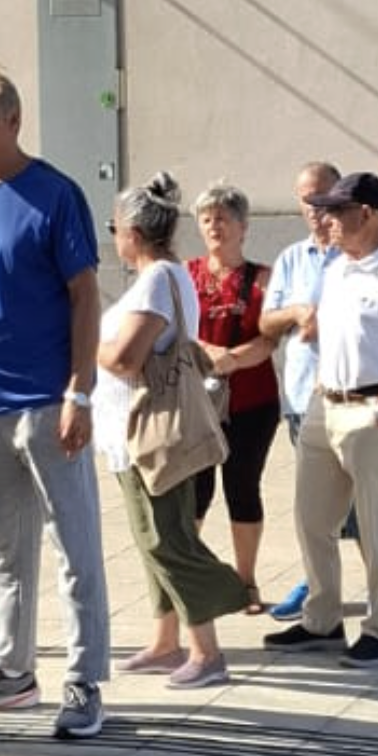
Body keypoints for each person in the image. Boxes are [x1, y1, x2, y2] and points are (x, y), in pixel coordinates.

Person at [0, 64, 110, 741]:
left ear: (12, 119)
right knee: (5, 548)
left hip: (46, 402)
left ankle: (85, 679)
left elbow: (85, 295)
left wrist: (80, 391)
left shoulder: (53, 195)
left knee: (74, 544)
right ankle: (11, 671)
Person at [264, 172, 378, 667]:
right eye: (324, 209)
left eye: (337, 210)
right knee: (312, 520)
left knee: (374, 525)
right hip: (324, 404)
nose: (326, 219)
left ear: (369, 214)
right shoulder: (338, 268)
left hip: (370, 410)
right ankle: (322, 619)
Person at [102, 176, 252, 686]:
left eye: (114, 227)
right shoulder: (168, 276)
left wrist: (78, 344)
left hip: (153, 433)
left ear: (135, 233)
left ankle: (207, 650)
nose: (112, 237)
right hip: (137, 434)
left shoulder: (155, 281)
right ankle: (166, 642)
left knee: (168, 539)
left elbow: (125, 359)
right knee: (152, 541)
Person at [256, 162, 343, 622]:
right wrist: (296, 311)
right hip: (300, 396)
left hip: (352, 395)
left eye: (322, 196)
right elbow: (266, 323)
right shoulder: (292, 259)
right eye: (306, 198)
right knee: (314, 505)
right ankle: (316, 586)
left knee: (361, 505)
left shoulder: (357, 254)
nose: (314, 207)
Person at [186, 182, 277, 611]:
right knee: (194, 492)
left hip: (251, 402)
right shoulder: (186, 275)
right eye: (206, 219)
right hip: (197, 404)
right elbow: (176, 332)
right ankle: (190, 580)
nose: (214, 226)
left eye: (223, 217)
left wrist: (232, 360)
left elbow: (270, 338)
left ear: (243, 226)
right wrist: (208, 354)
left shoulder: (263, 279)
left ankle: (246, 581)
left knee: (242, 486)